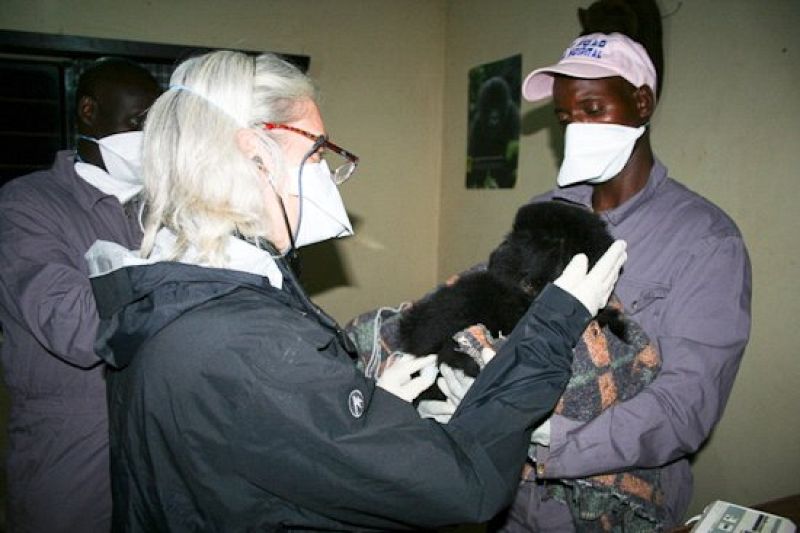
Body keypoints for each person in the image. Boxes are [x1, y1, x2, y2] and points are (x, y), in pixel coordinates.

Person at [83, 50, 627, 531]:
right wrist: (553, 325)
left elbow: (263, 455)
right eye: (318, 150)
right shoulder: (244, 342)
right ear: (254, 153)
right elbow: (466, 486)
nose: (327, 170)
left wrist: (369, 410)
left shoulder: (168, 293)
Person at [489, 30, 751, 531]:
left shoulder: (706, 240)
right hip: (511, 499)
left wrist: (549, 437)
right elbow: (499, 314)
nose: (577, 129)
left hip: (616, 506)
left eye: (593, 109)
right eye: (566, 118)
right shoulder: (545, 213)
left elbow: (685, 407)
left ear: (641, 101)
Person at [0, 58, 160, 532]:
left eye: (157, 124)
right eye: (138, 122)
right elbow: (75, 325)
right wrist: (182, 282)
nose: (149, 137)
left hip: (155, 439)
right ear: (88, 110)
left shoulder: (162, 208)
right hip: (71, 442)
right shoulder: (27, 204)